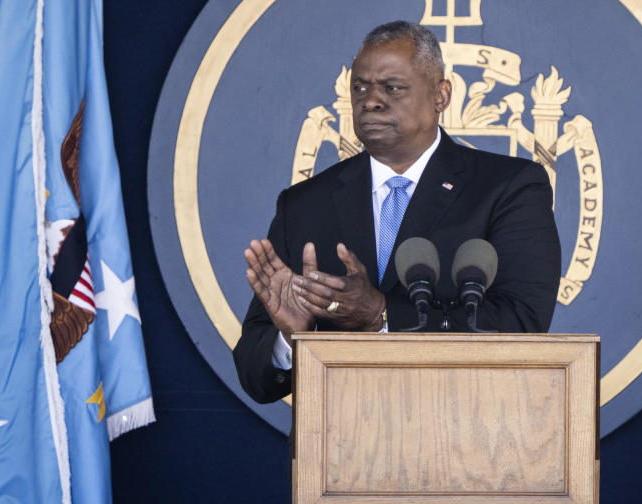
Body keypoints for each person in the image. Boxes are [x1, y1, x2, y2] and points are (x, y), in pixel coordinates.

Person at [232, 21, 561, 404]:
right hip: (338, 446)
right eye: (360, 88)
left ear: (441, 95)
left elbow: (520, 324)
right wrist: (292, 338)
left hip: (468, 435)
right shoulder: (304, 204)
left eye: (392, 88)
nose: (371, 100)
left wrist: (383, 315)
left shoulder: (509, 186)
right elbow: (256, 379)